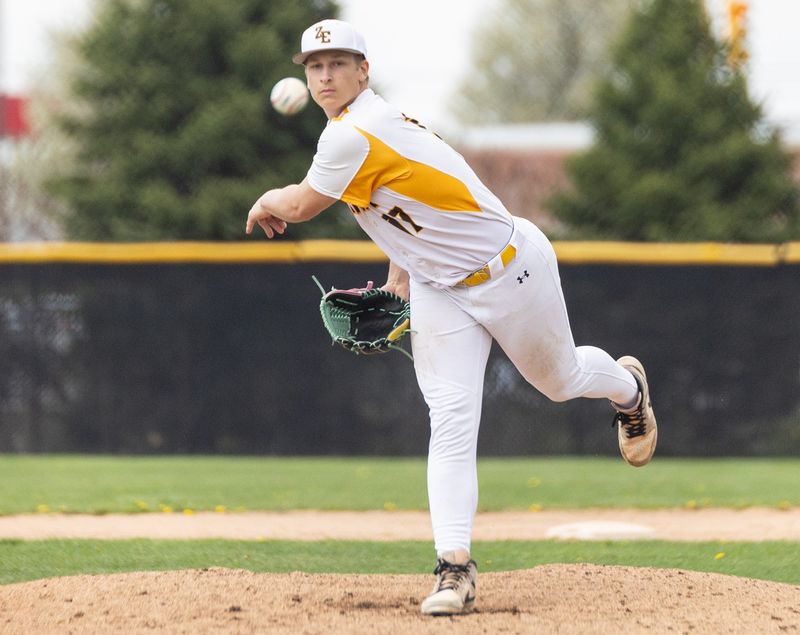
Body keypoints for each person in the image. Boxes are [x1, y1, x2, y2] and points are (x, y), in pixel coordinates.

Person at [245, 18, 658, 617]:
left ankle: (629, 389)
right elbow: (401, 201)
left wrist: (266, 199)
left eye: (337, 63)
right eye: (315, 66)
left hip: (510, 271)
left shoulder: (355, 131)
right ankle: (454, 569)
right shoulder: (362, 130)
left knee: (561, 381)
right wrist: (400, 270)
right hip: (439, 289)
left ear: (364, 71)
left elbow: (302, 204)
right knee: (451, 420)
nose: (325, 75)